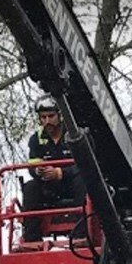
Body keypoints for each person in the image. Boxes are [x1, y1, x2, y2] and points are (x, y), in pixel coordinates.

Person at [20, 96, 88, 243]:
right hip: (50, 188)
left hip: (73, 185)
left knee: (82, 181)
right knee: (30, 187)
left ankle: (81, 235)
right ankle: (31, 240)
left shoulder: (75, 135)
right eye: (43, 117)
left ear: (60, 115)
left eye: (51, 116)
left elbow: (86, 165)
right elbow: (33, 164)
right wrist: (38, 171)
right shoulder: (36, 139)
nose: (47, 121)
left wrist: (61, 172)